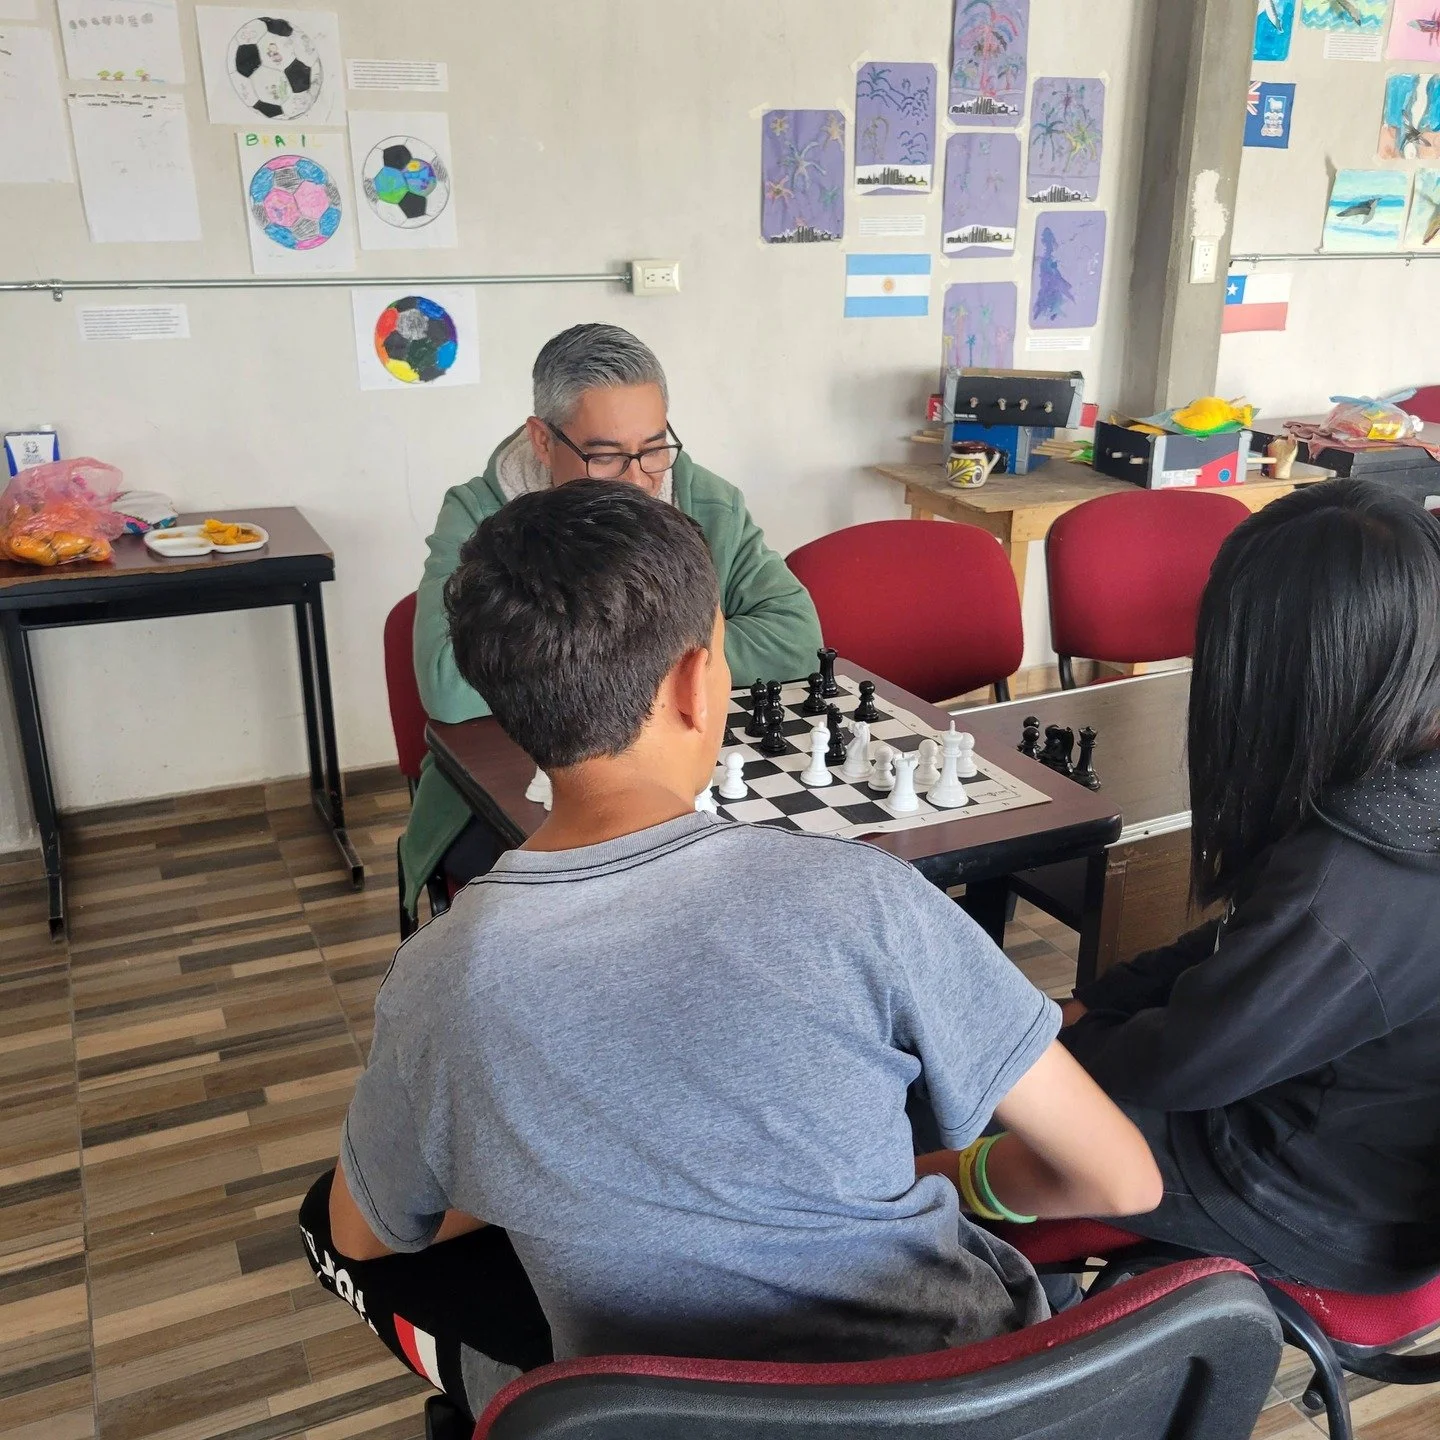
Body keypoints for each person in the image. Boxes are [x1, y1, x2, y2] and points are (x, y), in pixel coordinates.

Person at [301, 481, 1161, 1421]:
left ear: (505, 703)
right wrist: (959, 1177)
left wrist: (540, 1166)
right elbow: (1120, 1177)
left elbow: (361, 1233)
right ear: (693, 682)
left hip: (652, 1419)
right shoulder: (867, 896)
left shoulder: (440, 976)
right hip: (969, 1407)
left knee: (327, 1211)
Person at [1062, 479, 1440, 1293]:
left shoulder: (1354, 879)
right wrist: (1103, 1002)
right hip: (1369, 1161)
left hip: (1307, 1198)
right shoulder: (1401, 799)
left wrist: (1052, 1051)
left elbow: (1184, 1066)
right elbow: (1246, 944)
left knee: (963, 1108)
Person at [399, 323, 823, 918]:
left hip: (690, 778)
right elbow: (447, 681)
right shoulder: (477, 511)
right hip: (514, 793)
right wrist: (668, 652)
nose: (638, 479)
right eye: (604, 456)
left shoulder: (707, 501)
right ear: (542, 440)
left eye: (654, 448)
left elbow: (796, 638)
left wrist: (594, 655)